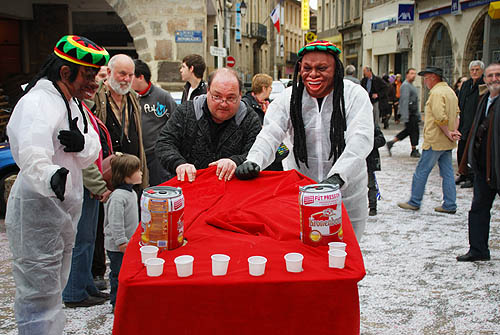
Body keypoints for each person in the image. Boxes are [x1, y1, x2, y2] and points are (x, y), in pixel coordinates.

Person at [5, 35, 105, 334]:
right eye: (88, 75)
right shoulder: (38, 102)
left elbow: (92, 147)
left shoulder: (72, 102)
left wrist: (79, 145)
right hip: (39, 210)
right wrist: (51, 174)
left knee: (53, 290)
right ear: (65, 72)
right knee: (38, 295)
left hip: (61, 212)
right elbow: (30, 149)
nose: (94, 83)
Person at [235, 40, 374, 241]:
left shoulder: (353, 95)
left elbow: (360, 138)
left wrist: (338, 176)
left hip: (346, 193)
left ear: (336, 69)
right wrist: (254, 161)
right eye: (307, 68)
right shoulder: (289, 98)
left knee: (344, 254)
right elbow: (270, 133)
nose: (313, 74)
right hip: (301, 193)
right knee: (306, 254)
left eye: (322, 68)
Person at [156, 68, 262, 183]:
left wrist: (236, 161)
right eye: (217, 96)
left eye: (231, 98)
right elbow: (164, 143)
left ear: (240, 95)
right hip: (190, 186)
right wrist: (179, 164)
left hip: (233, 191)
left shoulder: (250, 118)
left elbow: (259, 151)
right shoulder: (186, 112)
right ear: (208, 91)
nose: (223, 103)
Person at [62, 102, 112, 308]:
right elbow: (84, 160)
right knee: (81, 241)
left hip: (88, 185)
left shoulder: (80, 107)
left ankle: (85, 285)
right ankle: (75, 292)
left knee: (88, 240)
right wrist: (99, 186)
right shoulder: (72, 110)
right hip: (84, 185)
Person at [398, 66, 460, 214]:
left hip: (436, 140)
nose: (425, 81)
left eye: (426, 78)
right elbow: (457, 114)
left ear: (433, 77)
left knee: (421, 171)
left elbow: (440, 117)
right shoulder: (450, 91)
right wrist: (453, 131)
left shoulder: (436, 93)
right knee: (447, 172)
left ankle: (415, 201)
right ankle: (450, 204)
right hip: (446, 140)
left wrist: (448, 132)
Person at [456, 63, 500, 262]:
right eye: (490, 75)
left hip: (497, 165)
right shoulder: (484, 101)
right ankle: (478, 250)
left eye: (498, 75)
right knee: (478, 209)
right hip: (484, 167)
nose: (494, 79)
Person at [92, 54, 149, 189]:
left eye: (131, 75)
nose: (127, 79)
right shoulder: (96, 97)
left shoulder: (133, 97)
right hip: (108, 178)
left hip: (132, 176)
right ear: (109, 72)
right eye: (122, 74)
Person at [104, 153, 142, 310]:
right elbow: (115, 222)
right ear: (126, 175)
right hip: (118, 246)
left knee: (126, 273)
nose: (141, 173)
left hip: (128, 243)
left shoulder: (132, 193)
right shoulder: (118, 197)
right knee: (118, 274)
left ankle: (125, 299)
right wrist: (121, 241)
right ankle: (117, 302)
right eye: (137, 170)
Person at [132, 59, 177, 185]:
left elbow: (175, 123)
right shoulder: (127, 97)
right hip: (135, 155)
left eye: (131, 76)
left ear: (140, 77)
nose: (127, 80)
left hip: (156, 156)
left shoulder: (163, 97)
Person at [241, 73, 288, 171]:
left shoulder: (268, 104)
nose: (271, 90)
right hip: (256, 150)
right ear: (264, 88)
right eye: (270, 87)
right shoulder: (247, 105)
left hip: (273, 153)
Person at [456, 60, 485, 189]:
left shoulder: (483, 85)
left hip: (476, 124)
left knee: (472, 152)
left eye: (477, 69)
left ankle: (472, 177)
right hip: (464, 123)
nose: (474, 72)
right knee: (461, 150)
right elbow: (461, 102)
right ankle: (463, 173)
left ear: (482, 71)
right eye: (472, 70)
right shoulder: (466, 84)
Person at [386, 68, 421, 158]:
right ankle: (414, 149)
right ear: (407, 75)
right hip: (410, 113)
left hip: (413, 113)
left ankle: (391, 142)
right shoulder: (405, 86)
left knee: (409, 131)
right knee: (413, 131)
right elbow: (404, 101)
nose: (414, 75)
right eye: (412, 73)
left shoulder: (411, 85)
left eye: (415, 73)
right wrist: (405, 115)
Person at [367, 123, 386, 216]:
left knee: (370, 185)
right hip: (354, 160)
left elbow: (382, 140)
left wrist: (368, 143)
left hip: (369, 160)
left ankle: (373, 207)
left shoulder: (371, 125)